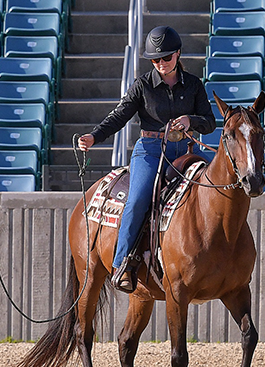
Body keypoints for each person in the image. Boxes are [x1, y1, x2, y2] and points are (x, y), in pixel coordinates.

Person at [78, 26, 217, 293]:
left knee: (213, 189)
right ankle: (122, 264)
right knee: (139, 198)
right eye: (155, 59)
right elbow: (119, 116)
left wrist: (192, 120)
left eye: (166, 58)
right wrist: (94, 137)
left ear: (178, 54)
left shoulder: (195, 85)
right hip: (150, 151)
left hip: (186, 151)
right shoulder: (142, 85)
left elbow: (210, 123)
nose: (161, 64)